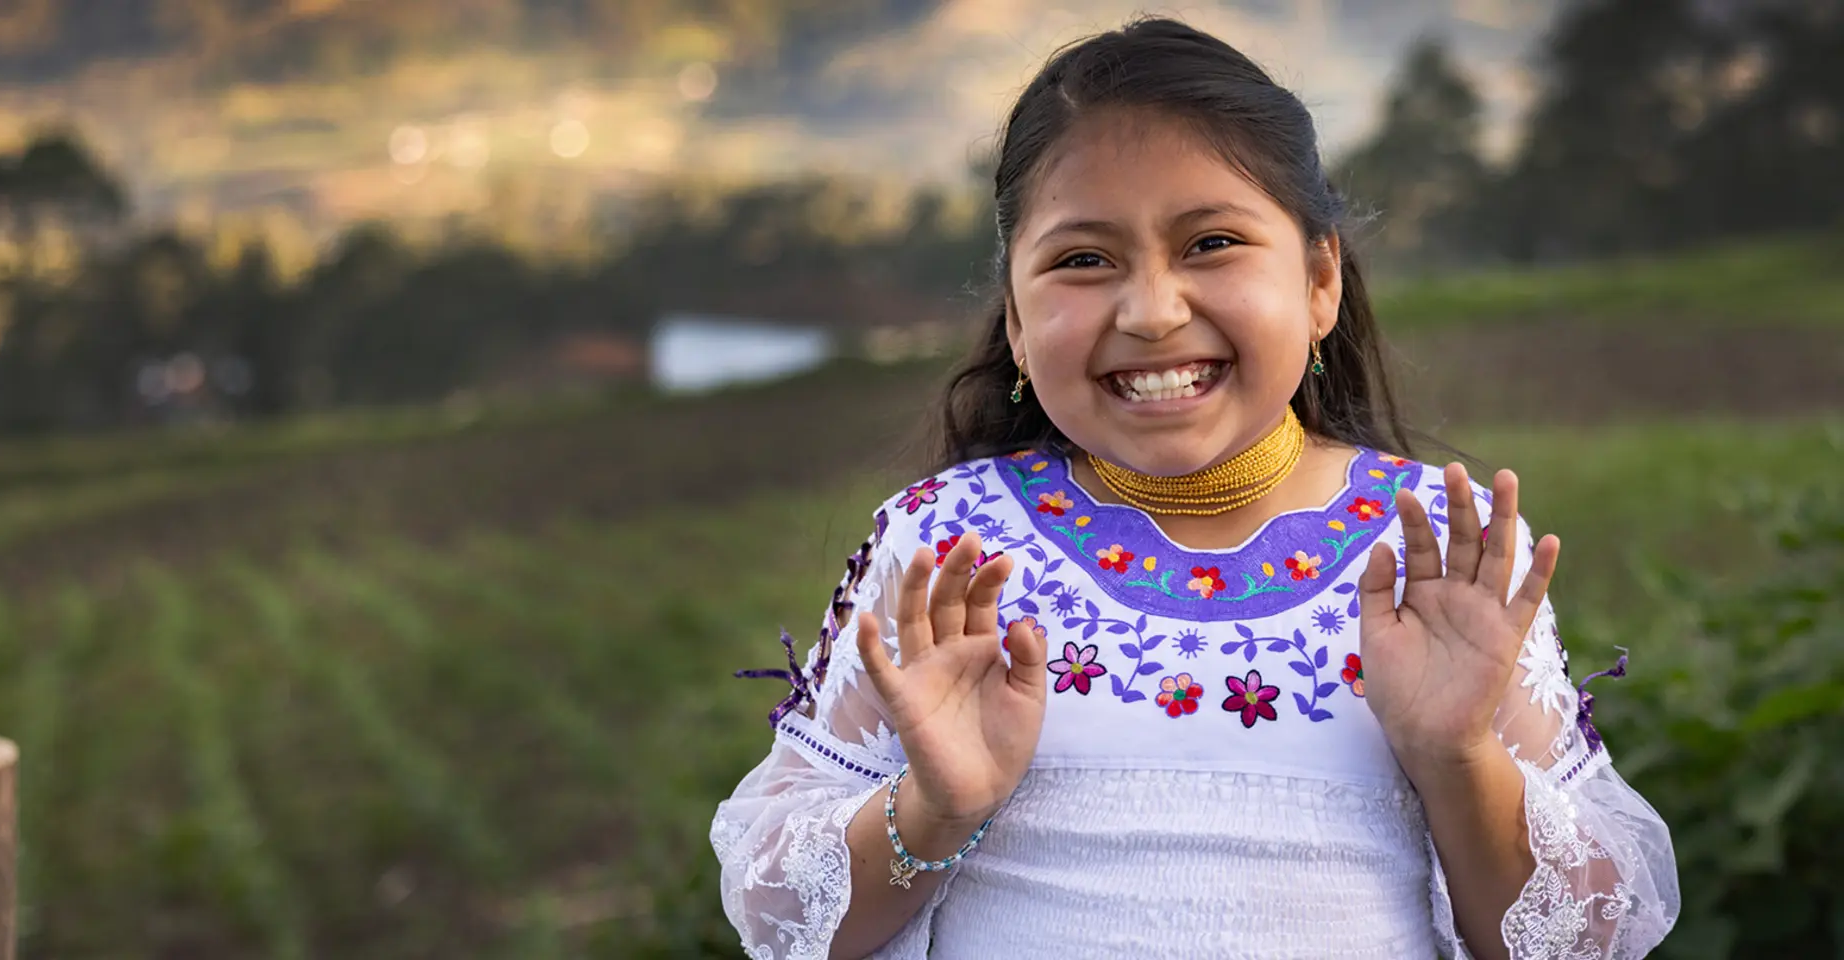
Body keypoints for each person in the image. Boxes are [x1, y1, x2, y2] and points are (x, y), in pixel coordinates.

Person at [712, 17, 1678, 959]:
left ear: (1319, 283)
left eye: (1211, 243)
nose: (1151, 311)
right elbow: (781, 918)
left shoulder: (1439, 548)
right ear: (1014, 320)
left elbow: (1579, 940)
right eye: (1083, 261)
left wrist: (1456, 757)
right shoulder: (944, 544)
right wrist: (939, 806)